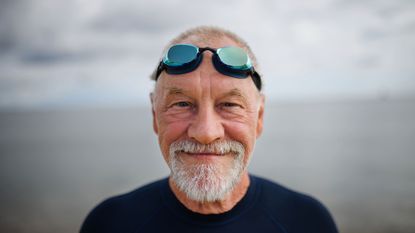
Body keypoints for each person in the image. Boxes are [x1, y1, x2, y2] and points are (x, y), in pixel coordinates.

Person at [80, 26, 338, 233]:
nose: (205, 132)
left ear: (259, 118)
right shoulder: (109, 223)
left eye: (229, 104)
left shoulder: (306, 221)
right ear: (154, 116)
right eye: (182, 103)